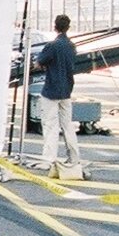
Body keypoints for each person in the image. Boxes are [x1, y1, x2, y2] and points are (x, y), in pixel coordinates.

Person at [34, 14, 85, 179]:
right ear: (68, 27)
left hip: (51, 90)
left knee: (50, 126)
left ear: (55, 26)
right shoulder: (71, 46)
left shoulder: (52, 45)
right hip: (67, 90)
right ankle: (74, 157)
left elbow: (39, 62)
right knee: (68, 126)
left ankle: (49, 159)